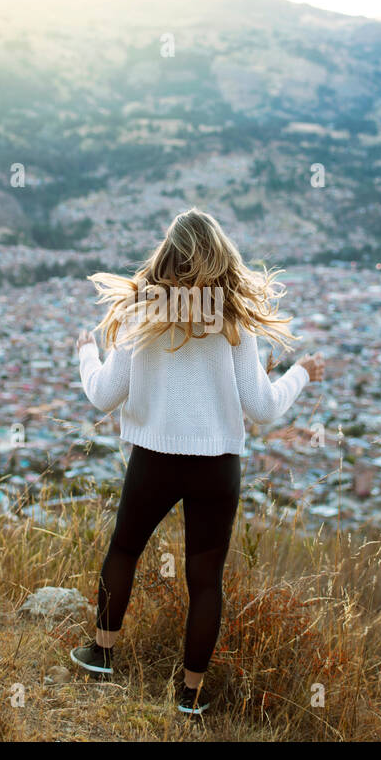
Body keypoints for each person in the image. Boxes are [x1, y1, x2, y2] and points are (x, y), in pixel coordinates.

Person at [71, 208, 323, 715]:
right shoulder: (233, 318)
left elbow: (103, 396)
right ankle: (190, 696)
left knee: (124, 551)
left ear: (167, 252)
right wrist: (302, 374)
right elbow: (264, 407)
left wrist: (85, 353)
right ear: (219, 255)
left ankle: (101, 654)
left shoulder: (139, 311)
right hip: (217, 464)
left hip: (154, 457)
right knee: (205, 579)